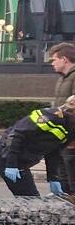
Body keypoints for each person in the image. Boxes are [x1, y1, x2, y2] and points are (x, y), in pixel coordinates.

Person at [0, 96, 75, 197]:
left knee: (30, 197)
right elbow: (16, 135)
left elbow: (54, 152)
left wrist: (53, 178)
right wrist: (11, 164)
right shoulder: (49, 116)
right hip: (4, 154)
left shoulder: (71, 128)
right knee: (30, 197)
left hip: (21, 160)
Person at [48, 43, 75, 191]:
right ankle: (63, 198)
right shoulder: (63, 78)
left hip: (71, 134)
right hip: (63, 132)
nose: (52, 63)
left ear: (64, 59)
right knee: (62, 170)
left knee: (70, 169)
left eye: (54, 59)